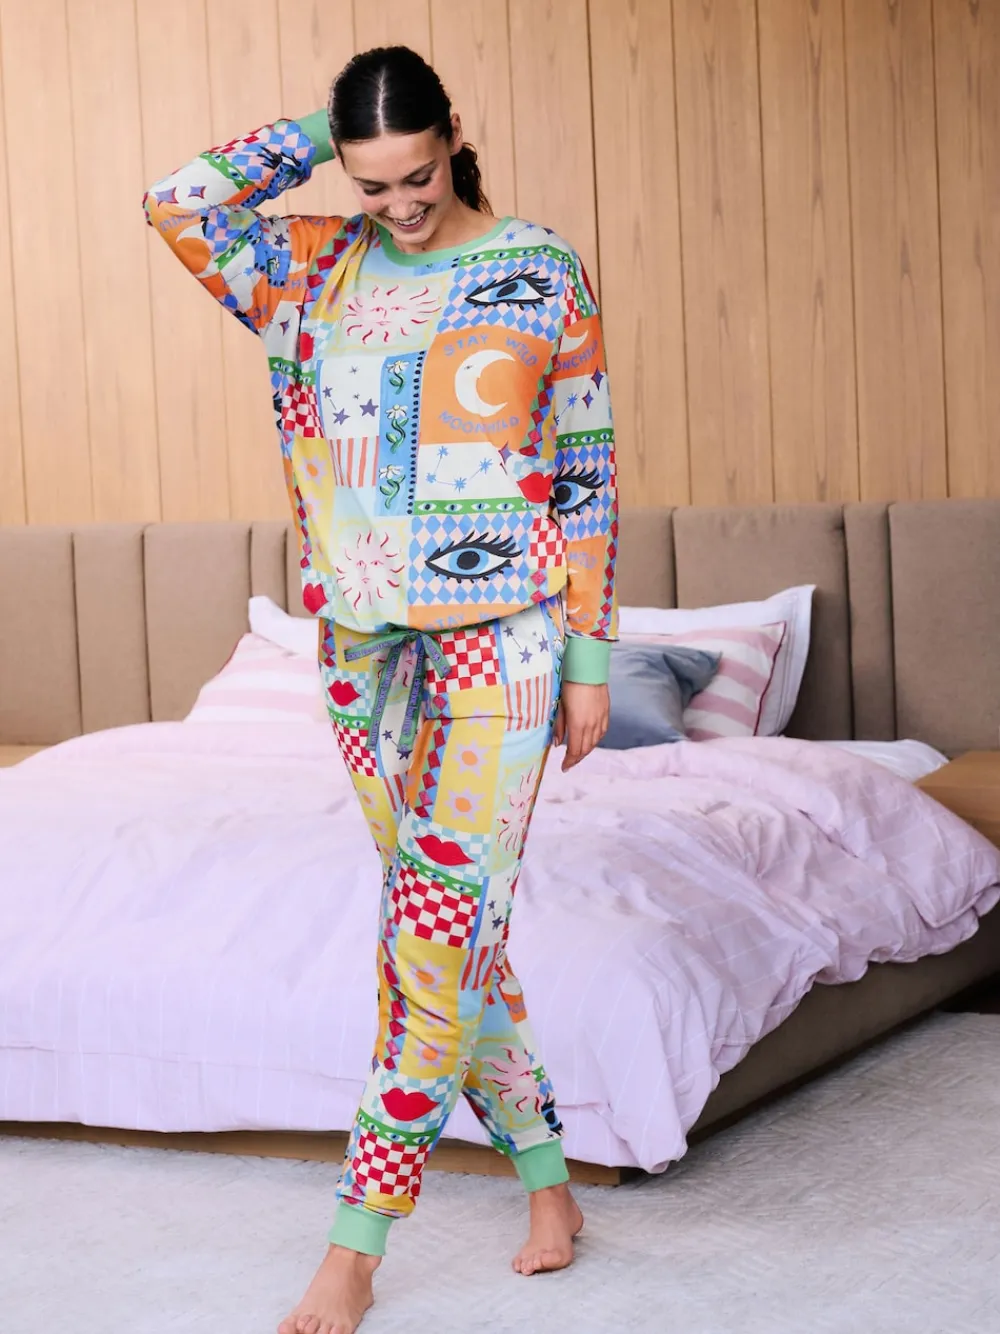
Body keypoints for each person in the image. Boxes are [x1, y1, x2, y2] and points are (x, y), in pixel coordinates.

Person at [144, 43, 618, 1334]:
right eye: (373, 182)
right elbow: (177, 201)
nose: (401, 204)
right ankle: (549, 1178)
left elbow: (585, 462)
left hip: (506, 639)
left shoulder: (539, 266)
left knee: (427, 930)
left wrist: (588, 656)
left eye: (419, 173)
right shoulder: (304, 269)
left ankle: (357, 1242)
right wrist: (326, 132)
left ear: (455, 135)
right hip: (361, 648)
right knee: (453, 926)